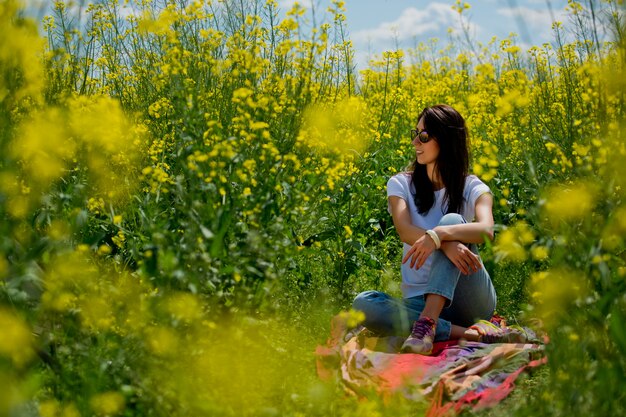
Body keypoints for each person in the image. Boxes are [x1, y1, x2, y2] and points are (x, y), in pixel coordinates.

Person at [352, 104, 524, 355]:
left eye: (424, 136)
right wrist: (447, 244)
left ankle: (426, 324)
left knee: (452, 219)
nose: (415, 141)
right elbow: (404, 230)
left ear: (446, 140)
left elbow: (487, 230)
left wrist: (440, 235)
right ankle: (464, 332)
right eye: (415, 133)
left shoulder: (471, 186)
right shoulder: (400, 184)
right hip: (417, 299)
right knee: (363, 304)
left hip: (468, 299)